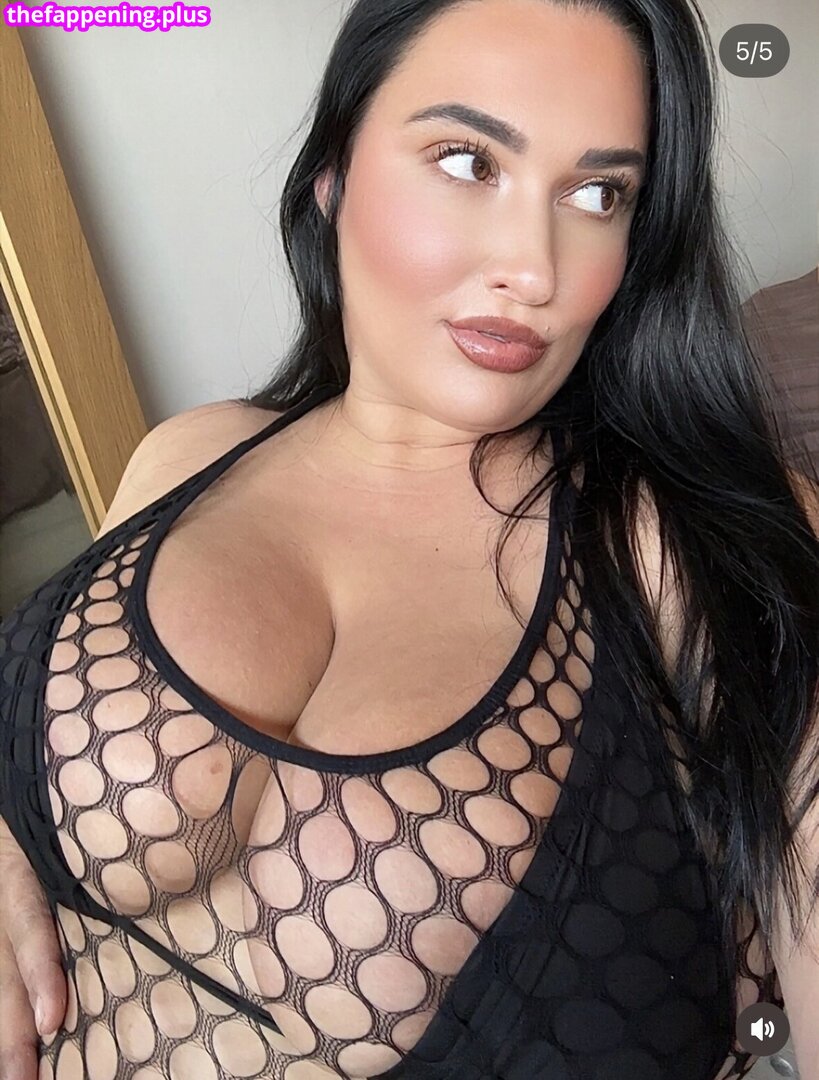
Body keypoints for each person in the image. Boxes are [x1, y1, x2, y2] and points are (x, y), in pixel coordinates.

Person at [2, 0, 818, 1077]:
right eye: (468, 161)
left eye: (597, 194)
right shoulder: (185, 455)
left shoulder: (710, 547)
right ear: (333, 172)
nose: (534, 269)